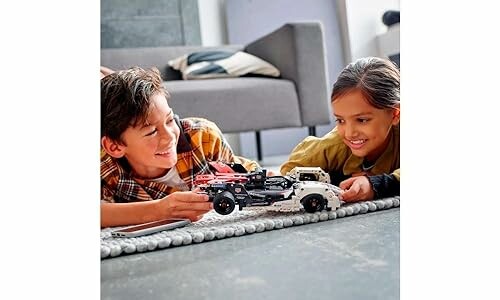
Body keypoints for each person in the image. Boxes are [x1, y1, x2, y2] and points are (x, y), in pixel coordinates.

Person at [101, 66, 259, 227]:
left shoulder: (203, 137)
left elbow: (242, 177)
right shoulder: (106, 167)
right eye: (152, 132)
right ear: (115, 147)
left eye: (169, 120)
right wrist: (158, 210)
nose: (169, 136)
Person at [280, 57, 400, 202]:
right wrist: (335, 179)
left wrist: (377, 184)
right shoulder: (334, 145)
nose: (349, 133)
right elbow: (289, 172)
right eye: (340, 120)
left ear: (395, 114)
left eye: (362, 120)